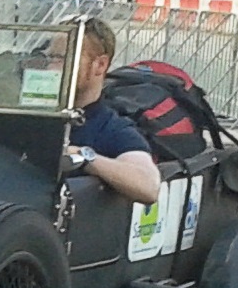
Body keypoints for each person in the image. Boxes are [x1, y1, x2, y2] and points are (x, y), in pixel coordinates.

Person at [56, 19, 162, 204]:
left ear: (100, 65)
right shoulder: (28, 116)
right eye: (50, 57)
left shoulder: (111, 128)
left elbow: (149, 185)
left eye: (65, 58)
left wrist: (82, 156)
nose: (52, 67)